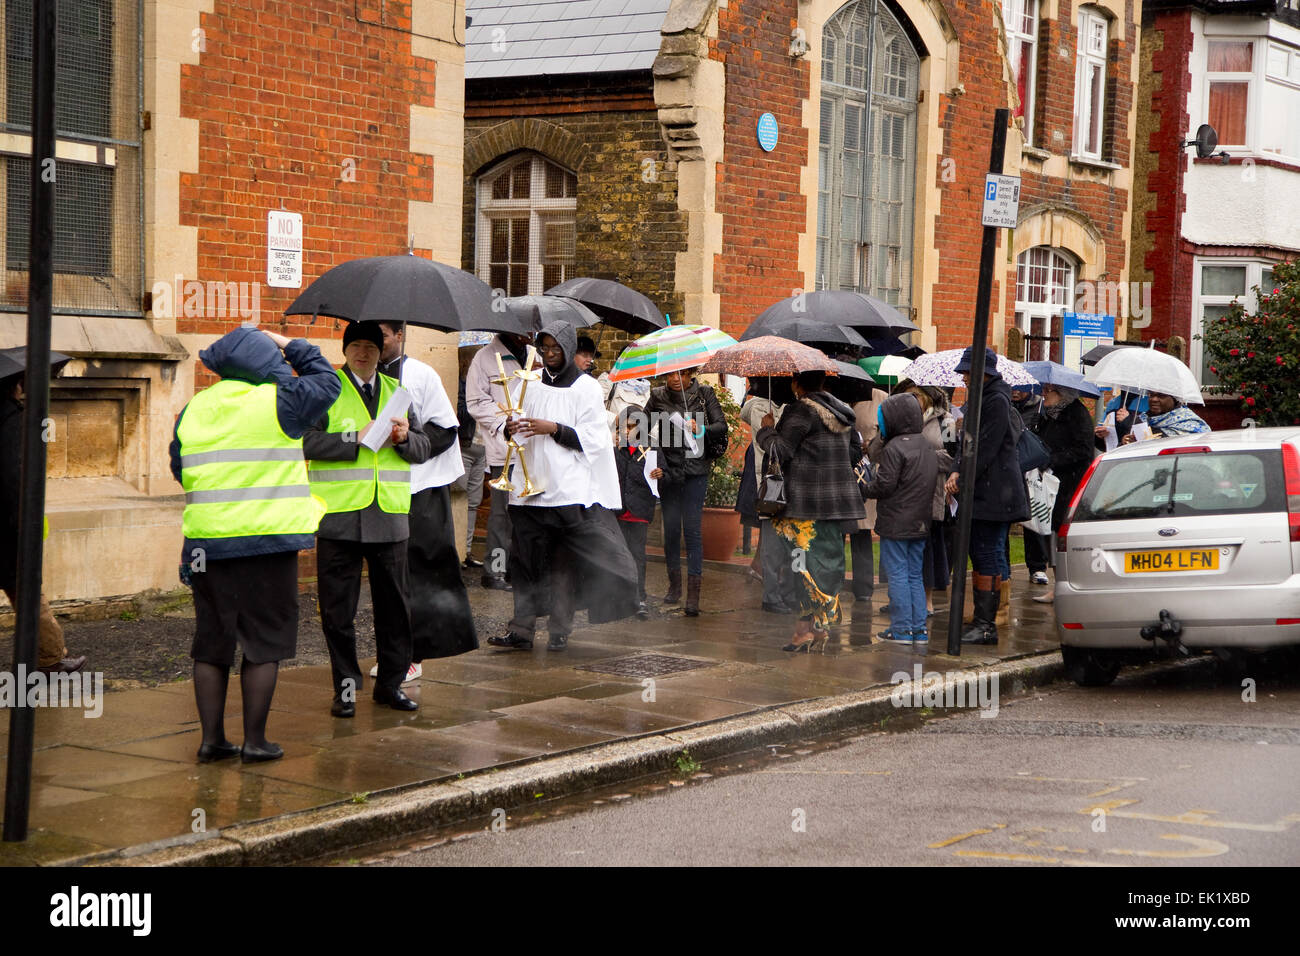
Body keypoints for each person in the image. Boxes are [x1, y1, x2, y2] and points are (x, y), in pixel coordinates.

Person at [170, 326, 339, 762]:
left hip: (207, 543)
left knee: (212, 641)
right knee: (264, 640)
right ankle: (255, 742)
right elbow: (328, 381)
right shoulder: (280, 403)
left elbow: (179, 467)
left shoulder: (193, 409)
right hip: (266, 542)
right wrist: (289, 344)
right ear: (265, 364)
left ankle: (211, 741)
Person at [486, 320, 639, 651]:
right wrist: (509, 428)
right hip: (528, 489)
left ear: (569, 349)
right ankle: (521, 631)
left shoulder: (584, 388)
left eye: (556, 348)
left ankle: (559, 630)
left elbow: (595, 440)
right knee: (524, 563)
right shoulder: (529, 383)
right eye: (545, 348)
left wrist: (554, 427)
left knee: (562, 564)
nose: (550, 354)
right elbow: (507, 423)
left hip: (567, 490)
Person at [304, 320, 431, 716]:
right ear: (345, 351)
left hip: (389, 515)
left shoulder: (398, 393)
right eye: (356, 345)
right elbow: (303, 440)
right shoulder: (325, 390)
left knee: (395, 609)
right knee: (338, 613)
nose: (363, 353)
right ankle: (344, 689)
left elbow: (425, 448)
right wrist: (350, 439)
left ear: (381, 352)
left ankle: (390, 686)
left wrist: (405, 438)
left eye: (371, 347)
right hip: (340, 516)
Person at [375, 321, 478, 675]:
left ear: (400, 336)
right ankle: (394, 653)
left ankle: (415, 656)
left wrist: (409, 441)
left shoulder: (422, 375)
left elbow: (447, 431)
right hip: (383, 489)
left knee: (422, 571)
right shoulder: (363, 377)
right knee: (390, 576)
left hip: (423, 488)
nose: (375, 343)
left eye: (382, 336)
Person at [756, 370, 863, 652]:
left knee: (801, 565)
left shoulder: (800, 410)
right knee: (820, 563)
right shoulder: (842, 412)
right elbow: (855, 452)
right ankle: (808, 629)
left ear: (796, 384)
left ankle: (815, 625)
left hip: (803, 505)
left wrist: (766, 430)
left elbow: (781, 451)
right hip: (834, 502)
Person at [2, 370, 86, 677]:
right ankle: (49, 660)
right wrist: (24, 526)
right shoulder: (13, 420)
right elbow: (14, 479)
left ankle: (49, 658)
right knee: (30, 598)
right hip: (9, 530)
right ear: (16, 384)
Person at [943, 347, 1029, 645]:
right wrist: (957, 469)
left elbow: (985, 448)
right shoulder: (981, 399)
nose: (963, 377)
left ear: (984, 373)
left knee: (988, 552)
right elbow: (967, 442)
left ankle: (987, 623)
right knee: (982, 552)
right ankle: (986, 617)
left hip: (995, 493)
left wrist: (962, 475)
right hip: (987, 490)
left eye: (967, 372)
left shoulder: (995, 400)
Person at [646, 367, 727, 616]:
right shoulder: (658, 395)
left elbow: (721, 426)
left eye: (680, 374)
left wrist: (700, 428)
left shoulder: (704, 393)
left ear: (690, 374)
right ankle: (674, 587)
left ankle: (693, 596)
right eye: (670, 374)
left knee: (692, 529)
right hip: (669, 470)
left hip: (695, 469)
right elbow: (641, 424)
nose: (674, 379)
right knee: (670, 529)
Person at [859, 392, 939, 644]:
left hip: (896, 522)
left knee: (898, 574)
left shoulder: (895, 448)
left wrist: (862, 486)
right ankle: (918, 629)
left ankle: (902, 629)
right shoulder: (925, 444)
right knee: (915, 574)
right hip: (920, 521)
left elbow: (884, 486)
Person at [465, 330, 534, 590]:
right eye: (526, 328)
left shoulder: (533, 356)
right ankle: (493, 572)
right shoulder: (483, 358)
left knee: (526, 514)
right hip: (502, 447)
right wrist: (502, 422)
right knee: (500, 514)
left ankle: (516, 570)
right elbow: (476, 401)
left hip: (531, 445)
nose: (531, 332)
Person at [1029, 383, 1097, 605]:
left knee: (1062, 533)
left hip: (1070, 483)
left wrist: (1052, 460)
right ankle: (1057, 585)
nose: (1044, 394)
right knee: (1052, 531)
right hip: (1052, 483)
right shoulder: (1049, 414)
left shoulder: (1076, 414)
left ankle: (1064, 585)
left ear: (1063, 394)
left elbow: (1083, 450)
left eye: (1049, 391)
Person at [741, 382, 796, 614]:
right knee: (777, 539)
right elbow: (776, 448)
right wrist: (767, 430)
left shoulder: (756, 405)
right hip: (774, 480)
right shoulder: (767, 409)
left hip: (771, 481)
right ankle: (776, 593)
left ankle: (778, 590)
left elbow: (742, 411)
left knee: (781, 539)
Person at [902, 384, 956, 616]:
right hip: (905, 493)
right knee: (906, 548)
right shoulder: (903, 419)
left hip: (932, 492)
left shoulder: (947, 422)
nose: (912, 400)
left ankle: (927, 599)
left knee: (928, 548)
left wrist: (921, 457)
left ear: (929, 397)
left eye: (916, 395)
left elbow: (953, 456)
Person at [613, 405, 663, 619]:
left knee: (637, 555)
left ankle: (639, 598)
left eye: (633, 425)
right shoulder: (617, 449)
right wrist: (612, 450)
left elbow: (666, 473)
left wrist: (662, 473)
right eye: (624, 426)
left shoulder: (651, 448)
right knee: (618, 555)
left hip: (639, 510)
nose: (628, 430)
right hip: (618, 510)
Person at [850, 384, 890, 618]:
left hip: (866, 470)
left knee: (862, 530)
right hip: (840, 469)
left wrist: (871, 446)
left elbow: (888, 433)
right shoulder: (834, 397)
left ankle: (864, 588)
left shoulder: (880, 398)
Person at [456, 344, 486, 568]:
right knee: (459, 497)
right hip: (465, 445)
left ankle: (467, 551)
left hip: (482, 447)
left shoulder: (482, 383)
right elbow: (460, 412)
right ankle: (456, 550)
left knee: (474, 502)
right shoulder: (461, 384)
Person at [1124, 390, 1210, 441]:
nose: (1154, 399)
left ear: (1174, 399)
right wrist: (1125, 442)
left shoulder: (1189, 422)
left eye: (1161, 395)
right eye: (1151, 395)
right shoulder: (1142, 419)